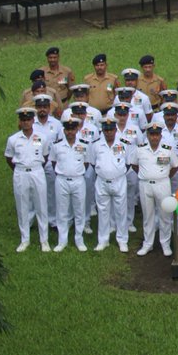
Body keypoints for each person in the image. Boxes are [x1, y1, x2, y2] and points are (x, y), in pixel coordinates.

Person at [5, 107, 51, 253]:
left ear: (33, 120)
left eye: (28, 120)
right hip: (20, 173)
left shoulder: (42, 137)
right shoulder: (13, 139)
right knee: (22, 206)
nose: (26, 122)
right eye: (23, 120)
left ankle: (44, 240)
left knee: (41, 206)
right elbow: (8, 158)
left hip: (37, 171)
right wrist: (19, 170)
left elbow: (45, 156)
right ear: (20, 121)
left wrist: (36, 167)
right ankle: (25, 239)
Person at [134, 125, 178, 256]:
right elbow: (134, 165)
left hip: (162, 184)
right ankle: (148, 244)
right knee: (148, 216)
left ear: (160, 136)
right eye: (152, 134)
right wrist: (145, 175)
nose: (154, 137)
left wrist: (165, 177)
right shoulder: (140, 149)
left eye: (157, 134)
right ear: (147, 135)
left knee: (165, 215)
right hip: (145, 185)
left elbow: (175, 166)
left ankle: (165, 244)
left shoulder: (167, 150)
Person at [91, 118, 133, 252]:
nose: (108, 132)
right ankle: (103, 240)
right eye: (106, 130)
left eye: (111, 130)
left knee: (121, 212)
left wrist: (116, 173)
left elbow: (128, 162)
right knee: (103, 212)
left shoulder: (124, 143)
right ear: (102, 130)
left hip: (119, 181)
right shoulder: (96, 145)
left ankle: (122, 240)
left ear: (115, 129)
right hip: (102, 181)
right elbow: (93, 163)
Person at [49, 117, 90, 252]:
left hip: (78, 180)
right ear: (64, 130)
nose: (70, 132)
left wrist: (76, 172)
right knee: (62, 212)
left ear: (77, 129)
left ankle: (79, 239)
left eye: (73, 129)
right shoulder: (57, 145)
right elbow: (54, 162)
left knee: (79, 211)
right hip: (62, 180)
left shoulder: (84, 144)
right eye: (68, 129)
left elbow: (86, 162)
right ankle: (62, 241)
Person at [31, 94, 62, 228]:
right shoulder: (30, 122)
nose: (42, 109)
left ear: (49, 108)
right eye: (39, 107)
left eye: (45, 106)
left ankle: (52, 220)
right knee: (33, 191)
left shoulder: (56, 124)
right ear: (36, 108)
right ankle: (31, 219)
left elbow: (60, 143)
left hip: (50, 161)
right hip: (34, 161)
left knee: (51, 192)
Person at [110, 104, 142, 232]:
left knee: (129, 196)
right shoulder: (110, 129)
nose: (122, 117)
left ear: (128, 115)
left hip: (131, 168)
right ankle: (113, 223)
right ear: (115, 115)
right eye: (119, 114)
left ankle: (129, 222)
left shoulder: (134, 129)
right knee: (113, 195)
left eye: (124, 115)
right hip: (115, 167)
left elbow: (141, 145)